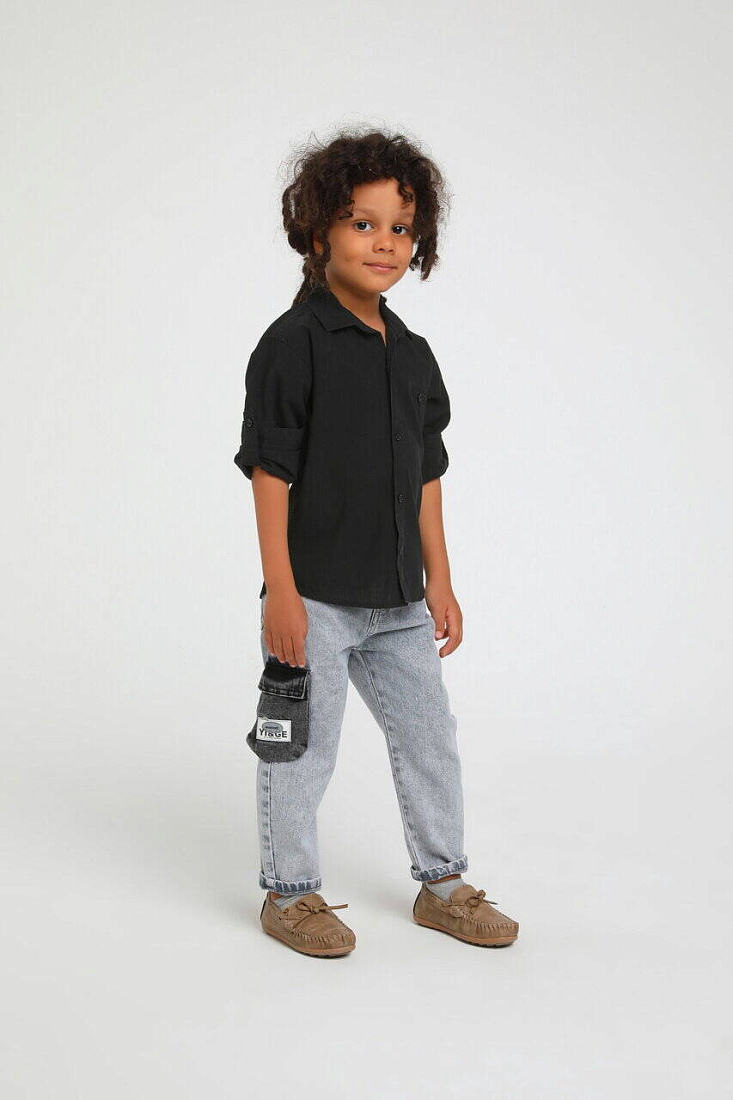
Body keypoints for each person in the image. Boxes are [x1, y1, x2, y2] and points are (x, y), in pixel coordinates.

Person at [234, 128, 519, 957]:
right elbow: (269, 472)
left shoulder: (415, 356)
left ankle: (444, 884)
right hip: (314, 597)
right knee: (301, 748)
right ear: (319, 229)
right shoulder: (292, 344)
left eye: (400, 228)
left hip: (397, 599)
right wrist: (281, 591)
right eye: (362, 223)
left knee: (430, 738)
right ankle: (289, 894)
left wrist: (440, 580)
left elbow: (426, 474)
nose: (384, 242)